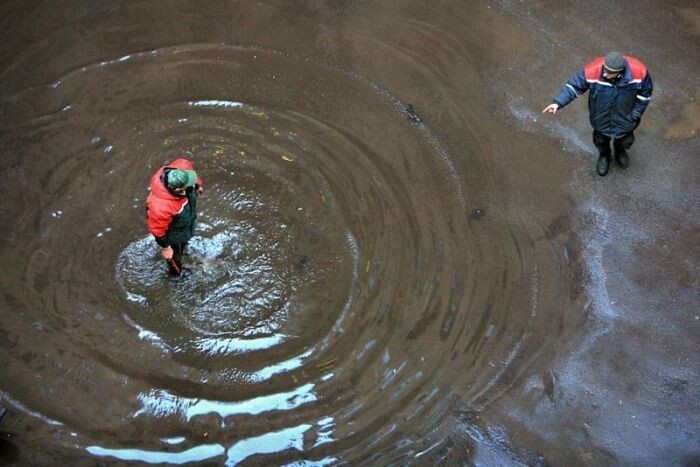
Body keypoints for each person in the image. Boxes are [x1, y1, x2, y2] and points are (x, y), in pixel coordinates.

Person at [542, 51, 653, 176]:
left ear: (620, 71)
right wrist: (558, 102)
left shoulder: (639, 72)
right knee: (601, 140)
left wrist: (635, 114)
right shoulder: (594, 70)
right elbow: (574, 87)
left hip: (626, 119)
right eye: (604, 69)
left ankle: (620, 151)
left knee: (625, 139)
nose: (604, 73)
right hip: (601, 118)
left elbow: (645, 96)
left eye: (609, 72)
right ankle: (604, 155)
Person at [146, 158, 204, 275]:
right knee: (174, 257)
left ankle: (183, 247)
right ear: (178, 190)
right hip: (174, 232)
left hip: (186, 220)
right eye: (190, 185)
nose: (192, 185)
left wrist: (197, 186)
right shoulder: (159, 207)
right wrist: (166, 248)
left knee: (184, 242)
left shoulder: (181, 167)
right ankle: (176, 276)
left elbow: (192, 176)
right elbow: (157, 230)